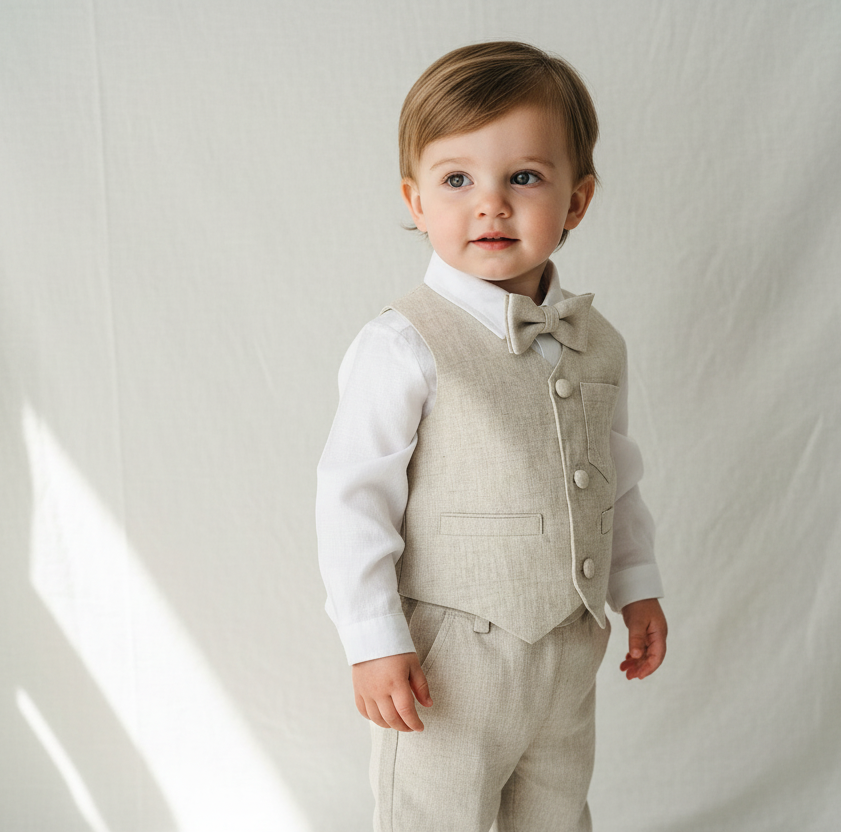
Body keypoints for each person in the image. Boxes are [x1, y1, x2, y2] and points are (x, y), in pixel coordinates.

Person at [316, 40, 667, 832]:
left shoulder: (597, 340)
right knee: (435, 815)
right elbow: (352, 499)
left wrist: (636, 583)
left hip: (567, 648)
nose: (491, 203)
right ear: (415, 200)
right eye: (457, 179)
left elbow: (612, 472)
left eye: (525, 177)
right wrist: (371, 637)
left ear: (575, 203)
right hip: (449, 660)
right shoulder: (403, 343)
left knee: (557, 812)